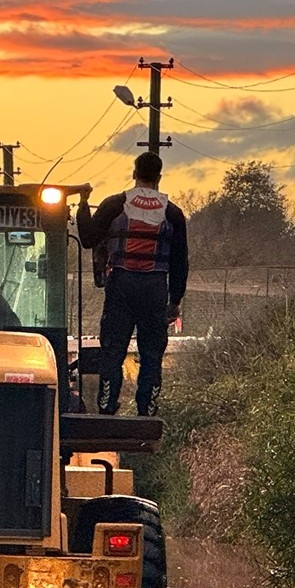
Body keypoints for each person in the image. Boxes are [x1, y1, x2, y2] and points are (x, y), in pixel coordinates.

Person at [77, 151, 188, 417]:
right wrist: (174, 301)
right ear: (159, 178)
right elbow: (180, 262)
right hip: (155, 287)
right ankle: (146, 411)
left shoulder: (116, 204)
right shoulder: (172, 213)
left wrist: (83, 203)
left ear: (134, 174)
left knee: (113, 350)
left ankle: (106, 407)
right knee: (151, 353)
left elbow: (88, 238)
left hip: (121, 284)